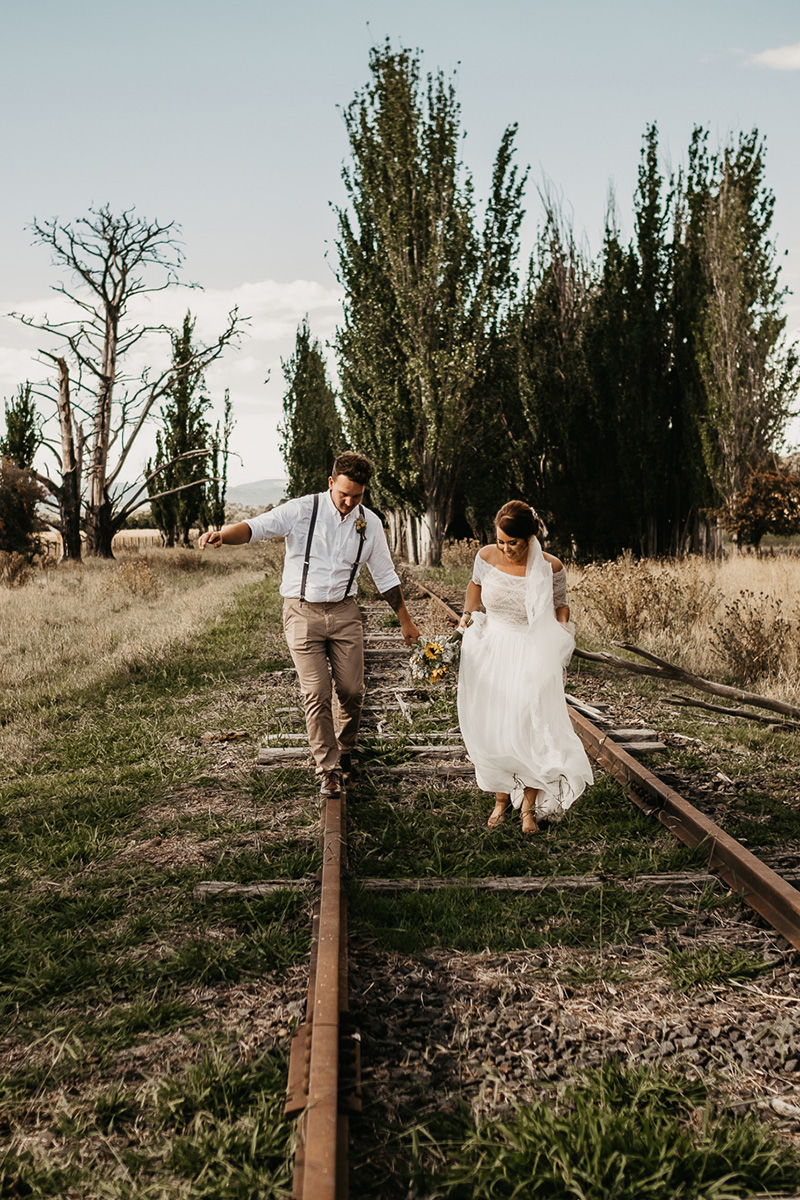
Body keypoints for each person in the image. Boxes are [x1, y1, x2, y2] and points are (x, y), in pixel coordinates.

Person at [199, 452, 420, 799]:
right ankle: (328, 770)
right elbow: (258, 527)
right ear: (331, 483)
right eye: (343, 494)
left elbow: (385, 575)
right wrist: (223, 535)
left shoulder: (371, 523)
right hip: (302, 613)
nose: (348, 503)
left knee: (350, 691)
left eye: (357, 496)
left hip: (346, 613)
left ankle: (346, 751)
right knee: (316, 692)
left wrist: (406, 621)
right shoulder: (302, 510)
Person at [456, 500, 593, 833]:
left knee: (529, 728)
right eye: (500, 541)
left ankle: (528, 808)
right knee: (496, 728)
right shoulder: (486, 557)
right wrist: (465, 619)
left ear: (530, 537)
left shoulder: (552, 567)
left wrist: (558, 641)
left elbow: (561, 608)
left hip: (531, 653)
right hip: (491, 649)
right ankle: (501, 801)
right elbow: (475, 587)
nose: (505, 549)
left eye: (512, 543)